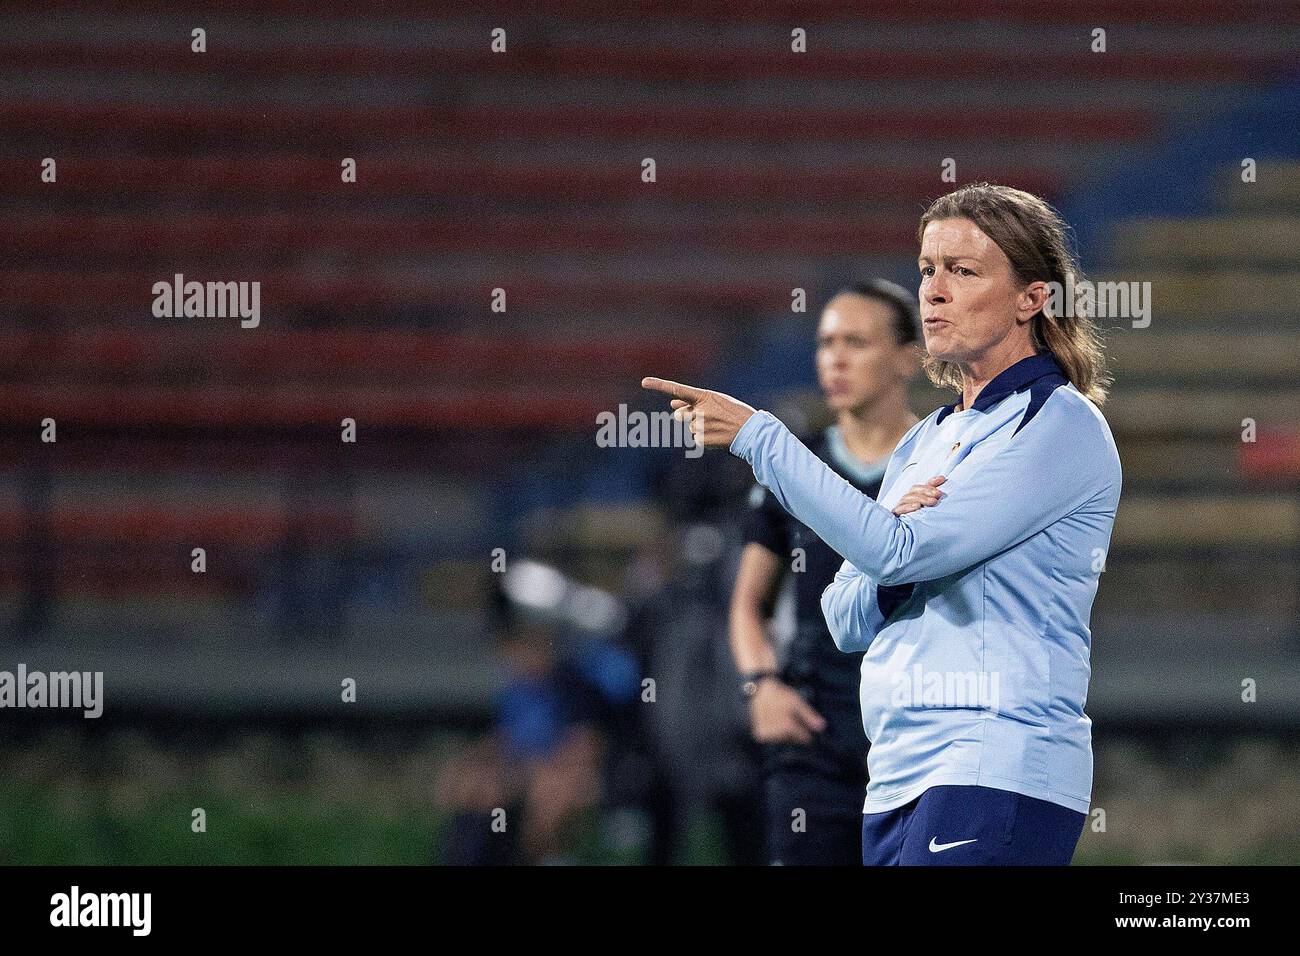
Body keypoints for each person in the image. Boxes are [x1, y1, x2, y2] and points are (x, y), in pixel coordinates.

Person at [643, 183, 1121, 865]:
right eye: (927, 269)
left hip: (994, 765)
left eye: (962, 271)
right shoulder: (925, 439)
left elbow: (893, 555)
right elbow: (844, 616)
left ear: (1032, 298)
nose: (932, 291)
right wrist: (892, 546)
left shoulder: (1060, 425)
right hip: (897, 776)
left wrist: (761, 438)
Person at [728, 281, 920, 865]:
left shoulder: (944, 457)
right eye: (825, 342)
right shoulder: (794, 467)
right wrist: (761, 688)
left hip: (918, 735)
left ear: (908, 359)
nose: (834, 358)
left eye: (856, 342)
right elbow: (747, 605)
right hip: (814, 736)